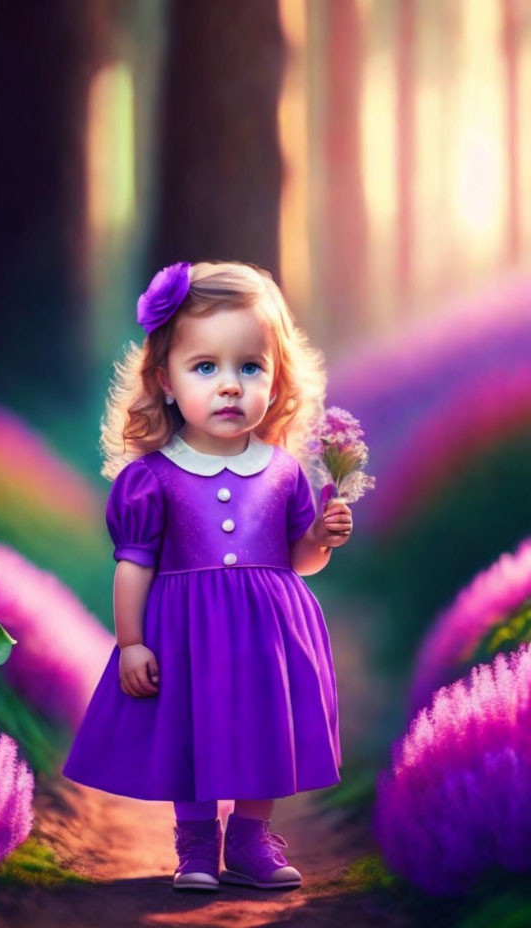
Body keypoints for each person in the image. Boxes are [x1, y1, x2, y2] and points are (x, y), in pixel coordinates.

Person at [62, 260, 353, 893]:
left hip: (268, 631)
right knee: (190, 723)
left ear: (275, 383)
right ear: (165, 381)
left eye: (250, 367)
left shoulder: (282, 472)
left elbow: (298, 558)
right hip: (183, 632)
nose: (229, 386)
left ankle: (250, 838)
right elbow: (134, 563)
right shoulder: (152, 477)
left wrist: (319, 538)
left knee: (261, 723)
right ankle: (195, 841)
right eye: (205, 368)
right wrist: (131, 640)